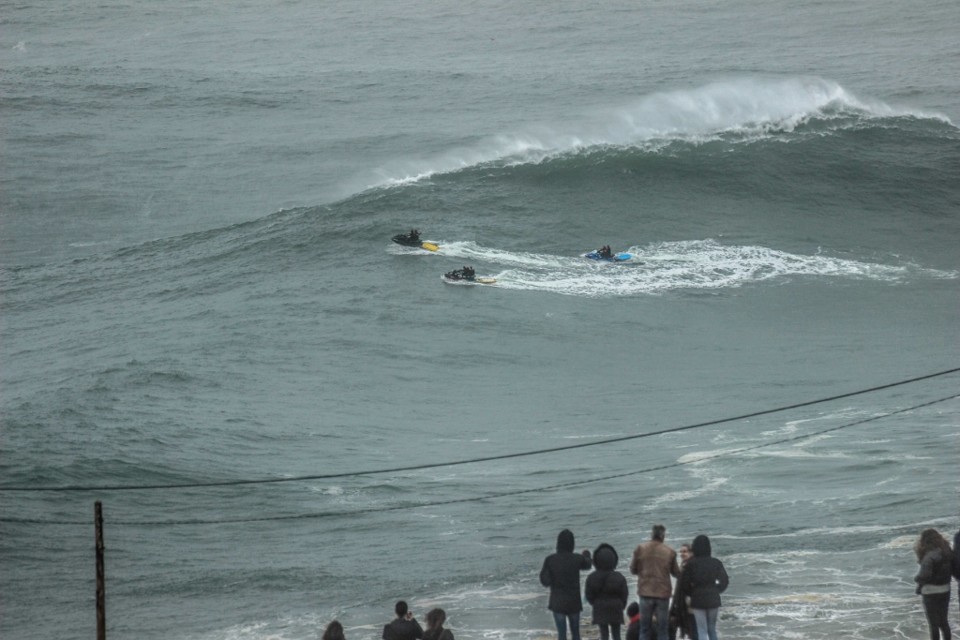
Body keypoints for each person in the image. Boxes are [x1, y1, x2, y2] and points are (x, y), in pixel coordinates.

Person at [540, 529, 593, 640]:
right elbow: (588, 564)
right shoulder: (577, 559)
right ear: (572, 544)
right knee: (576, 634)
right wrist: (586, 554)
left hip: (557, 603)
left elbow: (544, 581)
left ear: (558, 543)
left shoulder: (550, 560)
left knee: (562, 635)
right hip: (574, 603)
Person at [630, 524, 680, 640]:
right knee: (662, 630)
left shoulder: (640, 548)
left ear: (652, 534)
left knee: (644, 629)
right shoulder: (670, 551)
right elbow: (675, 573)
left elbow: (633, 569)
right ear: (663, 536)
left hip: (645, 592)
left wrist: (643, 573)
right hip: (663, 594)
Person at [679, 535, 728, 640]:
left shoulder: (691, 564)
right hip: (713, 598)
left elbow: (684, 584)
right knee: (712, 629)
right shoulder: (716, 562)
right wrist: (717, 590)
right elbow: (725, 581)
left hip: (697, 599)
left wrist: (692, 593)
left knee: (701, 629)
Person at [914, 528, 953, 640]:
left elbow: (924, 576)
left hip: (930, 592)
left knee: (933, 624)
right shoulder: (947, 552)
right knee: (944, 622)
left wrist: (916, 579)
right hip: (945, 589)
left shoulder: (929, 556)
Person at [585, 543, 630, 640]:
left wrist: (595, 603)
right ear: (613, 560)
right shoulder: (619, 577)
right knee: (616, 634)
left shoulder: (592, 577)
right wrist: (622, 605)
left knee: (604, 634)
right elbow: (624, 594)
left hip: (600, 607)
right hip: (616, 607)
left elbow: (589, 595)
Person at [669, 543, 697, 640]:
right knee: (689, 630)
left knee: (692, 630)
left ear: (691, 553)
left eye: (684, 551)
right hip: (682, 603)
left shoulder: (690, 566)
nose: (682, 554)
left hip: (688, 604)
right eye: (681, 552)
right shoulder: (684, 564)